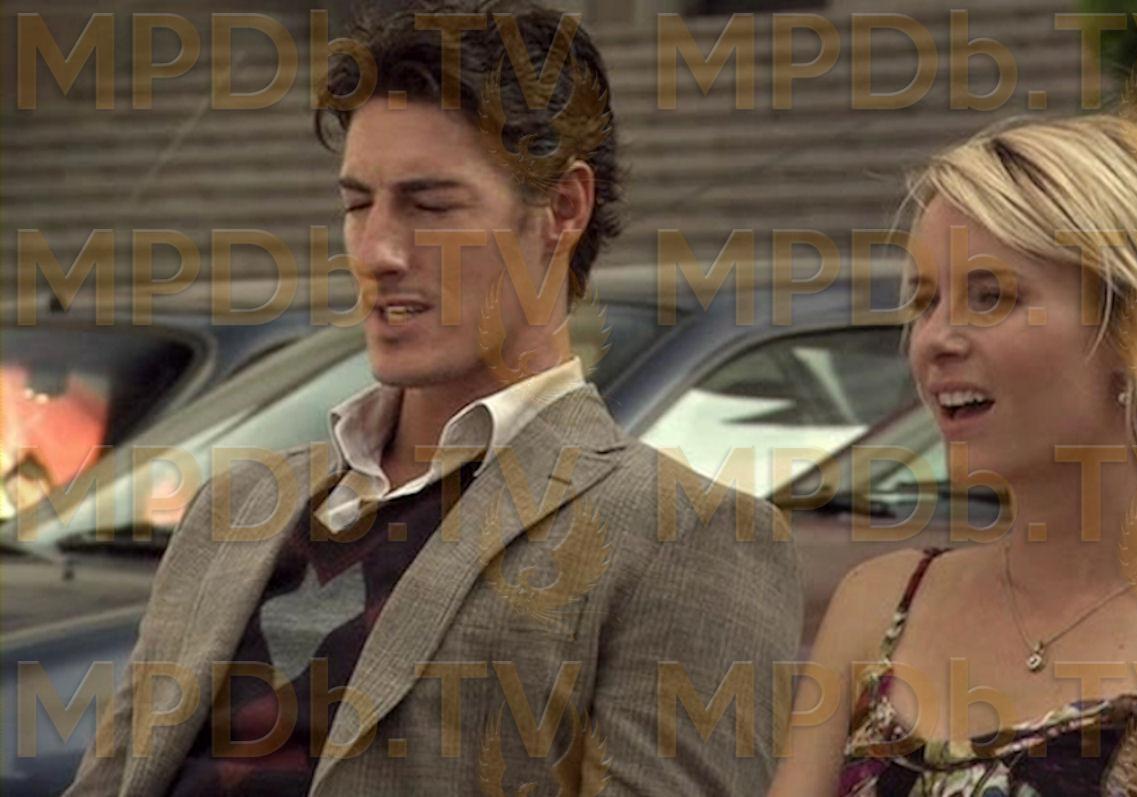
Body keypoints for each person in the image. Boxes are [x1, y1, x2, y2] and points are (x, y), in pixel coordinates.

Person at [66, 3, 801, 794]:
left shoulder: (682, 535)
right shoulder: (232, 507)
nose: (377, 250)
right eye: (358, 204)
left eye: (430, 205)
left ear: (562, 209)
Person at [770, 112, 1137, 796]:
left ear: (1136, 326)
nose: (935, 339)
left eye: (991, 297)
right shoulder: (879, 602)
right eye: (925, 302)